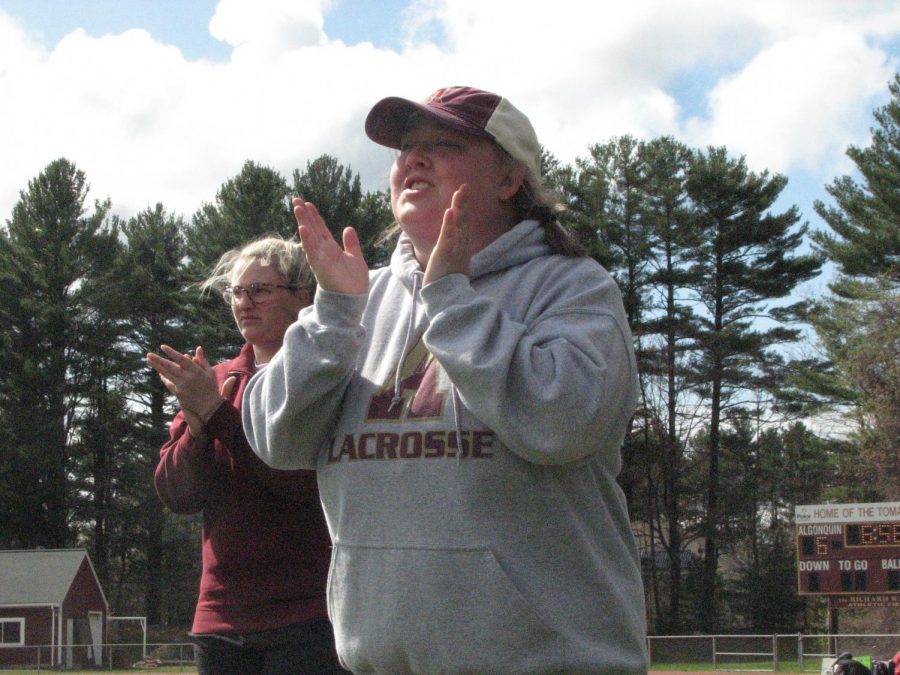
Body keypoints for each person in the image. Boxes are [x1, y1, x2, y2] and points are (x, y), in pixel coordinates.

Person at [242, 86, 650, 673]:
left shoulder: (572, 286)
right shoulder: (357, 297)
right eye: (406, 148)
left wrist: (451, 301)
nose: (413, 160)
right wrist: (334, 314)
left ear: (510, 180)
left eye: (443, 145)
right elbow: (278, 442)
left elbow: (562, 423)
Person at [148, 236, 344, 675]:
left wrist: (216, 415)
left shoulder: (324, 378)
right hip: (220, 619)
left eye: (260, 290)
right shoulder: (213, 380)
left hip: (308, 618)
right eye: (236, 291)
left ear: (302, 296)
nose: (244, 303)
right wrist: (196, 427)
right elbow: (177, 494)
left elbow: (300, 482)